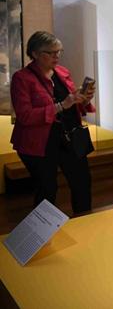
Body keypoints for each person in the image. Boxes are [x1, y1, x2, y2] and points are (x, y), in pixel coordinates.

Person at [10, 31, 96, 214]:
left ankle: (84, 221)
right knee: (47, 189)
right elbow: (25, 116)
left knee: (82, 181)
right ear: (35, 53)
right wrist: (61, 105)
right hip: (40, 141)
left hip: (69, 135)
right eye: (51, 52)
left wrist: (83, 99)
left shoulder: (62, 72)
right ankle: (42, 231)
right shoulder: (21, 78)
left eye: (59, 51)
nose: (57, 56)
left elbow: (71, 104)